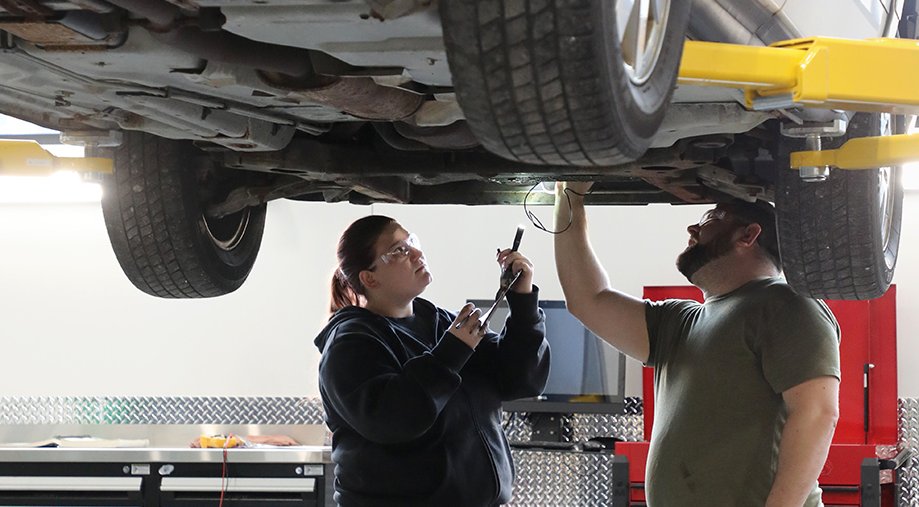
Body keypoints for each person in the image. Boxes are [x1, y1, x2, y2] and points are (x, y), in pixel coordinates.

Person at [553, 182, 840, 507]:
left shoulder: (787, 306)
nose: (693, 227)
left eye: (713, 216)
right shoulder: (678, 322)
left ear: (748, 235)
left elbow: (817, 411)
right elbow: (588, 300)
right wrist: (569, 196)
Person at [314, 215, 550, 507]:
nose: (416, 252)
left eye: (412, 241)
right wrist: (450, 355)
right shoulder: (350, 345)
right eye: (399, 250)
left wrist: (523, 302)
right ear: (369, 278)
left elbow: (520, 381)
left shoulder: (440, 324)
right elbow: (394, 420)